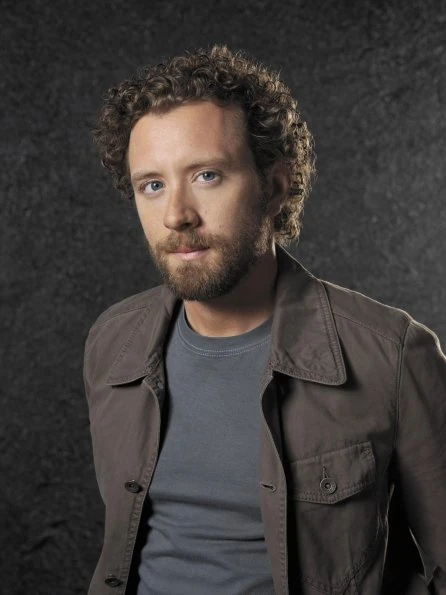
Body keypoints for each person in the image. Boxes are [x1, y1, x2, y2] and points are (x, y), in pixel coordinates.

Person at [84, 44, 446, 595]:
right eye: (152, 185)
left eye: (207, 175)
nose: (176, 214)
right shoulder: (112, 343)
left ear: (275, 187)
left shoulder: (393, 355)